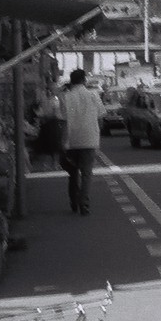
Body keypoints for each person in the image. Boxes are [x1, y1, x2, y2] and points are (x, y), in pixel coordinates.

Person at [43, 69, 105, 215]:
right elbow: (101, 117)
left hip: (71, 140)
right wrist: (96, 131)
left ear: (71, 81)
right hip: (89, 139)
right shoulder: (94, 95)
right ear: (84, 80)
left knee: (73, 173)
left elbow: (61, 119)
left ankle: (74, 202)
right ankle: (84, 204)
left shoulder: (65, 97)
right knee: (87, 174)